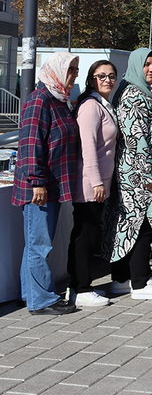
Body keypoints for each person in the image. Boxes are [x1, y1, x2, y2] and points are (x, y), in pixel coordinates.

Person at [104, 48, 152, 300]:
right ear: (135, 65)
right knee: (142, 225)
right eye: (146, 64)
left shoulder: (132, 91)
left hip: (131, 174)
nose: (151, 69)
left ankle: (121, 280)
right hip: (139, 176)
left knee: (125, 226)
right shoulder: (134, 96)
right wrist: (147, 176)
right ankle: (141, 283)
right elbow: (137, 139)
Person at [12, 51, 80, 315]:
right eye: (71, 70)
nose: (74, 75)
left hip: (52, 185)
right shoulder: (40, 100)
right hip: (39, 188)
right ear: (57, 70)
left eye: (75, 70)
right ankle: (41, 300)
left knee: (36, 243)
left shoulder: (59, 99)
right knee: (40, 244)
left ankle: (29, 293)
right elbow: (30, 145)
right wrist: (37, 182)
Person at [69, 60, 119, 308]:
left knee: (87, 233)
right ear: (91, 80)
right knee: (85, 235)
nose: (108, 80)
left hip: (99, 182)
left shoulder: (103, 104)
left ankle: (78, 286)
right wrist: (97, 181)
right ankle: (80, 287)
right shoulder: (90, 106)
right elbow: (88, 147)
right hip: (90, 182)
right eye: (102, 76)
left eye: (111, 76)